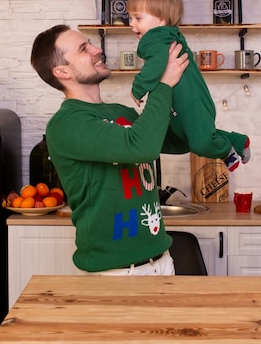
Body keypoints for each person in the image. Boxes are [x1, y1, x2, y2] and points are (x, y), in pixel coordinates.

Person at [30, 24, 190, 275]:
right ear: (62, 71)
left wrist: (183, 90)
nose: (97, 50)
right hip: (114, 273)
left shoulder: (121, 112)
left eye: (90, 43)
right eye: (84, 49)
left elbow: (179, 141)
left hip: (161, 261)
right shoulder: (67, 123)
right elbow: (142, 148)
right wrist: (163, 85)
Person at [126, 0, 251, 171]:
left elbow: (155, 65)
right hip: (186, 105)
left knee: (199, 143)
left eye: (137, 18)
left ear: (160, 20)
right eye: (130, 18)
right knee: (186, 138)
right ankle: (237, 140)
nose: (131, 24)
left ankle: (226, 151)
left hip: (188, 103)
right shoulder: (169, 37)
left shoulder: (156, 38)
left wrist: (137, 90)